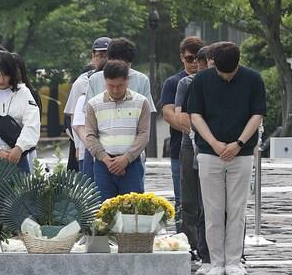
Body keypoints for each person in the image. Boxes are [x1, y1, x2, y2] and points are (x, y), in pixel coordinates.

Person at [186, 42, 266, 275]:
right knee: (212, 210)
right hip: (209, 152)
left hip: (242, 153)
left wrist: (239, 143)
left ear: (238, 62)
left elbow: (257, 114)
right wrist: (214, 143)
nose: (226, 76)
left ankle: (233, 261)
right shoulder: (201, 80)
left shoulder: (253, 79)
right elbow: (195, 115)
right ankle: (215, 262)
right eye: (222, 72)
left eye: (230, 73)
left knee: (237, 209)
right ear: (213, 62)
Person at [83, 60, 151, 198]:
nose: (115, 90)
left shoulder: (141, 102)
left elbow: (144, 134)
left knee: (133, 207)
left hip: (132, 164)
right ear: (105, 82)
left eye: (120, 85)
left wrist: (126, 158)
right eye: (111, 85)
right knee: (104, 208)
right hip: (103, 165)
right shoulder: (93, 104)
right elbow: (90, 135)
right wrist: (106, 159)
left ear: (127, 81)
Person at [175, 46, 210, 266]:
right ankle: (191, 245)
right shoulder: (186, 83)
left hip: (213, 148)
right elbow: (180, 116)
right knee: (189, 199)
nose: (198, 65)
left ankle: (209, 247)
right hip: (190, 145)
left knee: (211, 202)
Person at [161, 36, 204, 206]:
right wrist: (194, 129)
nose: (194, 63)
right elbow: (168, 113)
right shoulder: (173, 82)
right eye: (189, 58)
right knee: (183, 201)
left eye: (198, 58)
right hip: (180, 146)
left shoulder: (211, 80)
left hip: (208, 148)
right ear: (182, 58)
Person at [65, 38, 111, 175]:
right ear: (93, 56)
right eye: (100, 56)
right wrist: (78, 146)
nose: (104, 60)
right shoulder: (82, 82)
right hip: (87, 147)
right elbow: (74, 118)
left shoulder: (123, 79)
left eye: (107, 56)